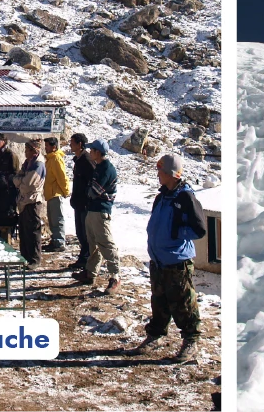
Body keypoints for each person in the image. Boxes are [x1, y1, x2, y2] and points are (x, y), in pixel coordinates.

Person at [131, 154, 207, 363]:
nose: (158, 174)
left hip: (177, 262)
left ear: (172, 174)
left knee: (183, 303)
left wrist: (176, 234)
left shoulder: (185, 198)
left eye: (161, 171)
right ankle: (155, 335)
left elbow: (199, 230)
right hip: (159, 260)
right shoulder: (162, 196)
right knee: (159, 302)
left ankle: (191, 339)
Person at [73, 139, 120, 293]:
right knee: (93, 243)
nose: (89, 152)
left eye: (92, 150)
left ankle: (115, 276)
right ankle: (90, 272)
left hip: (101, 210)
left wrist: (88, 191)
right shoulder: (99, 167)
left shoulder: (106, 169)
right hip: (92, 209)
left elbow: (94, 191)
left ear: (98, 152)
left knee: (106, 243)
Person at [13, 140, 46, 266]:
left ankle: (34, 259)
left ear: (34, 151)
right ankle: (25, 256)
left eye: (27, 150)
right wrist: (20, 181)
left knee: (32, 232)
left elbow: (28, 184)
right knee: (24, 231)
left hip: (33, 201)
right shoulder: (28, 163)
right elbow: (17, 178)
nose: (25, 153)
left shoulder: (38, 165)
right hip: (24, 201)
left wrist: (20, 182)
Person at [68, 133, 95, 270]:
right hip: (78, 201)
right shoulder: (78, 160)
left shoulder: (87, 160)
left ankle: (87, 260)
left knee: (85, 233)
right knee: (80, 232)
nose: (70, 145)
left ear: (80, 144)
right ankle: (83, 258)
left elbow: (93, 180)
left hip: (84, 202)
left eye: (72, 142)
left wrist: (87, 197)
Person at [42, 137, 70, 252]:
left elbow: (62, 177)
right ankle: (55, 241)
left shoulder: (56, 159)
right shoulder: (50, 159)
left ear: (54, 147)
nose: (45, 148)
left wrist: (66, 191)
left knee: (57, 219)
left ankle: (59, 242)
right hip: (50, 193)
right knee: (52, 220)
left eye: (47, 146)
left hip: (56, 193)